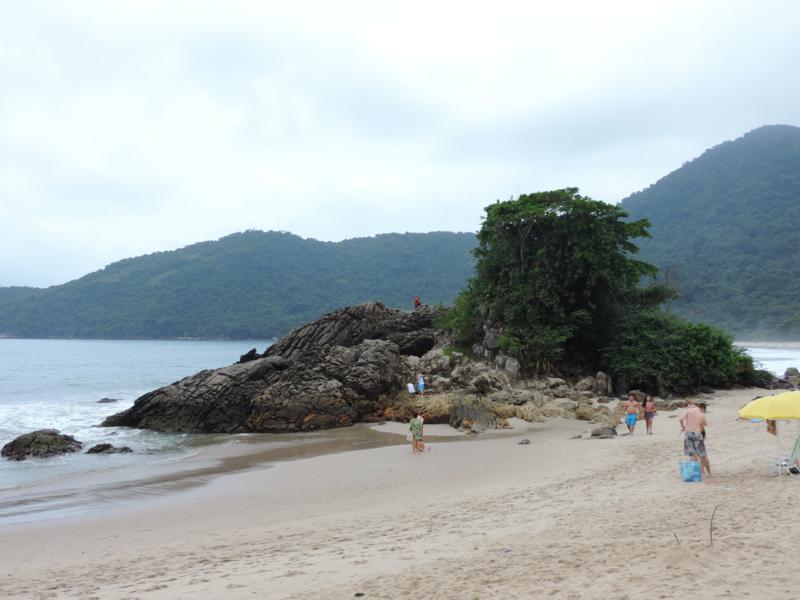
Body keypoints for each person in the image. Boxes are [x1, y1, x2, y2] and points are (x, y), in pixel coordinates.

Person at [680, 400, 710, 477]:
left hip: (688, 433)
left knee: (692, 454)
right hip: (697, 434)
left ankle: (698, 473)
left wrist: (683, 427)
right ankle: (707, 472)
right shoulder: (701, 414)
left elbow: (681, 419)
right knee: (702, 454)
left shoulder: (688, 410)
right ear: (702, 408)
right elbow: (705, 424)